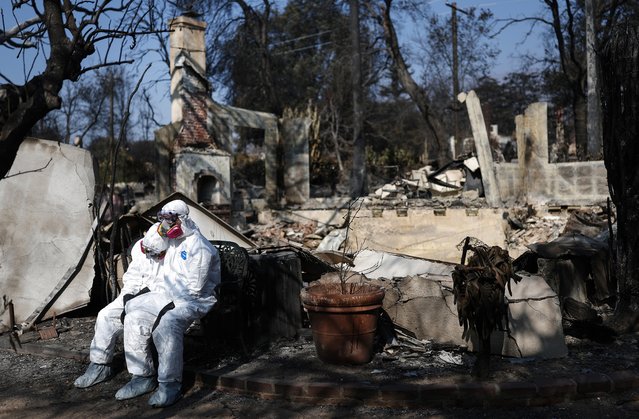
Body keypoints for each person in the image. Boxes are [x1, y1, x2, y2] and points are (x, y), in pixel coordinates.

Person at [120, 199, 221, 408]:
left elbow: (194, 289)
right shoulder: (173, 242)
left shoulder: (199, 247)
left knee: (167, 324)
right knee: (134, 316)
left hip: (195, 300)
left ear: (182, 219)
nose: (165, 225)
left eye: (170, 220)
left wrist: (163, 307)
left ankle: (169, 384)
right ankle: (141, 376)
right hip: (169, 295)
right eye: (162, 219)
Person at [74, 223, 169, 389]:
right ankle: (100, 365)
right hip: (134, 295)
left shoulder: (173, 256)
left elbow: (167, 287)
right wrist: (127, 296)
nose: (149, 254)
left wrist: (140, 299)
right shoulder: (141, 251)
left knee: (134, 321)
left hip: (157, 299)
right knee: (105, 315)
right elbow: (132, 277)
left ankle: (143, 375)